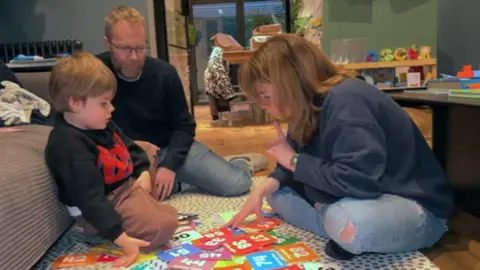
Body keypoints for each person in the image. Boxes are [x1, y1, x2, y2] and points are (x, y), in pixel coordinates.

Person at [227, 34, 454, 260]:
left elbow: (359, 181)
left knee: (345, 221)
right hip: (356, 195)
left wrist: (294, 161)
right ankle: (329, 217)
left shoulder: (347, 100)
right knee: (276, 195)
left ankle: (330, 218)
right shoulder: (306, 108)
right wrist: (264, 187)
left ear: (291, 85)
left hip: (411, 204)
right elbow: (293, 165)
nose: (265, 108)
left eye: (266, 97)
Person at [97, 5, 252, 201]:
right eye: (125, 49)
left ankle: (240, 162)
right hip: (125, 155)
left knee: (236, 184)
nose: (134, 56)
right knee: (124, 199)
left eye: (140, 47)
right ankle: (181, 183)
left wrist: (169, 165)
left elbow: (184, 126)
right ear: (108, 44)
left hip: (169, 148)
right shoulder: (95, 74)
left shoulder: (164, 73)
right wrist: (137, 149)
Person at [44, 52, 178, 268]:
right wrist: (122, 239)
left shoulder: (101, 125)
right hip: (106, 204)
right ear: (76, 103)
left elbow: (131, 148)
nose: (111, 109)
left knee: (148, 150)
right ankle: (128, 217)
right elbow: (91, 200)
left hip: (125, 186)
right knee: (165, 225)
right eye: (104, 104)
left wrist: (142, 172)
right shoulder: (68, 145)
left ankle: (144, 200)